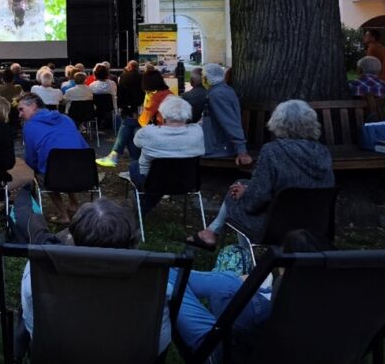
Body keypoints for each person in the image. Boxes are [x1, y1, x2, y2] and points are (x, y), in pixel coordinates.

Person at [19, 198, 171, 354]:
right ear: (130, 239)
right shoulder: (155, 279)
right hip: (135, 353)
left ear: (73, 238)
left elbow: (30, 317)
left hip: (61, 351)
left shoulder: (41, 275)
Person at [172, 229, 321, 364]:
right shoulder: (326, 311)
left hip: (223, 360)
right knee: (230, 281)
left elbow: (224, 310)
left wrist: (239, 290)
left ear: (283, 264)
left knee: (168, 278)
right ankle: (236, 280)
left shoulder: (259, 314)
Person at [187, 99, 334, 250]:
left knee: (237, 194)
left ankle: (242, 256)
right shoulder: (323, 152)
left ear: (278, 122)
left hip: (274, 226)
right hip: (315, 224)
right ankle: (210, 232)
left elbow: (255, 201)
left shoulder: (273, 152)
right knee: (242, 184)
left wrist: (245, 194)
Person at [18, 92, 89, 223]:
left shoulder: (30, 126)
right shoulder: (65, 118)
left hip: (55, 177)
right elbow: (83, 146)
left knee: (43, 171)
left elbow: (31, 159)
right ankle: (74, 203)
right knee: (63, 162)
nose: (19, 115)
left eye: (21, 109)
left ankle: (63, 214)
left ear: (33, 106)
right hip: (84, 173)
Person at [128, 96, 204, 209]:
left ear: (163, 114)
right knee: (162, 174)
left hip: (152, 182)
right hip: (186, 183)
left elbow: (136, 143)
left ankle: (140, 203)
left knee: (134, 165)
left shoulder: (149, 132)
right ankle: (141, 206)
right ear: (188, 115)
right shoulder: (197, 131)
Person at [200, 63, 251, 165]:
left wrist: (241, 151)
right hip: (219, 142)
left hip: (218, 147)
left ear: (205, 78)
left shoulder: (217, 94)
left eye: (202, 76)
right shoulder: (222, 90)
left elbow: (230, 122)